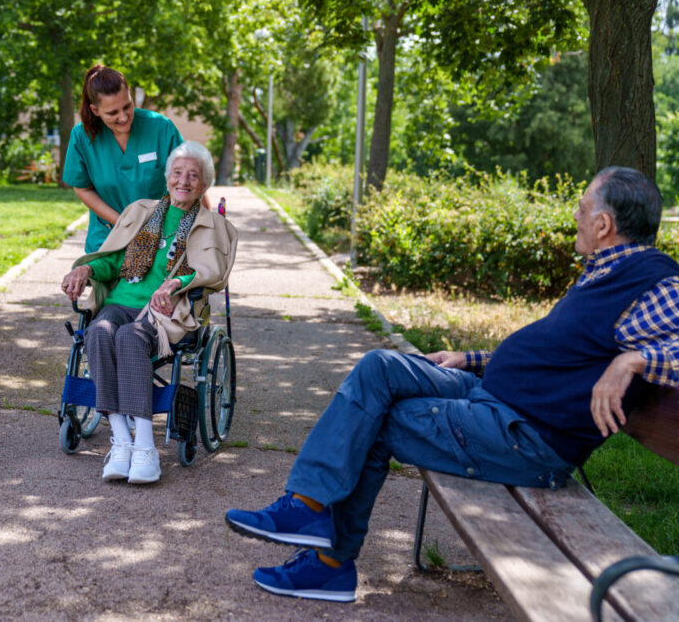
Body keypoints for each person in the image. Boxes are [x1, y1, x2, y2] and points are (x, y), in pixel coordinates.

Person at [225, 166, 679, 603]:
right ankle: (306, 506)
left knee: (382, 422)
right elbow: (560, 357)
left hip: (525, 438)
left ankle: (328, 563)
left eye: (581, 208)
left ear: (603, 223)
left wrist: (635, 360)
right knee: (379, 366)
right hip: (495, 402)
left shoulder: (653, 279)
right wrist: (473, 359)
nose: (574, 217)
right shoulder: (605, 270)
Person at [61, 141, 238, 483]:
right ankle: (122, 441)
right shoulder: (140, 211)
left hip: (168, 312)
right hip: (120, 302)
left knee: (129, 338)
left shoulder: (212, 225)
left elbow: (210, 270)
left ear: (204, 184)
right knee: (98, 332)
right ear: (167, 177)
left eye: (193, 175)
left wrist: (173, 285)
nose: (183, 181)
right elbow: (112, 257)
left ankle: (146, 448)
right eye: (177, 172)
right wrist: (86, 270)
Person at [63, 64, 198, 253]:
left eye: (127, 106)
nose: (123, 117)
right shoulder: (81, 136)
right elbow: (82, 189)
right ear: (95, 110)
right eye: (112, 113)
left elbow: (192, 179)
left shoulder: (160, 128)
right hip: (107, 239)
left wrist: (207, 229)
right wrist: (125, 224)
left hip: (159, 239)